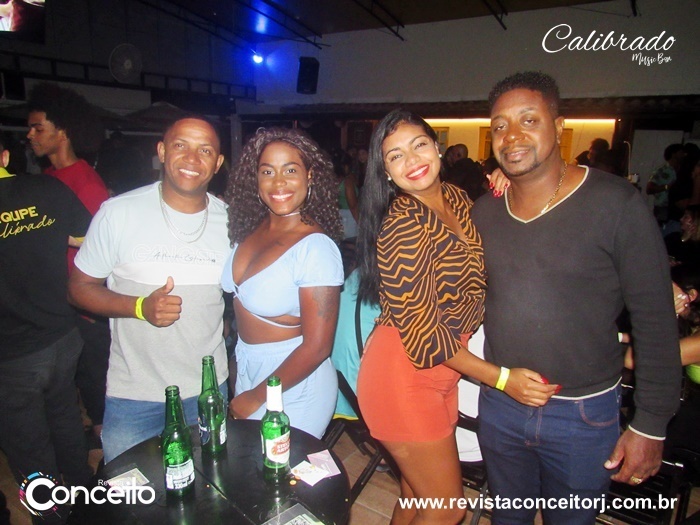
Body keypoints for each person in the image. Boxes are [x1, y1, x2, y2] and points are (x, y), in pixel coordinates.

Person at [471, 71, 681, 524]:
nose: (512, 135)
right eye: (500, 125)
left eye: (529, 120)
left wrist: (650, 424)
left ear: (559, 126)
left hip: (582, 414)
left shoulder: (616, 203)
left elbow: (654, 320)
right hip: (502, 403)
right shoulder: (484, 212)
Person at [355, 109, 553, 524]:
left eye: (419, 145)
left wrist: (505, 183)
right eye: (395, 156)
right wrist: (503, 379)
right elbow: (425, 336)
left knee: (418, 496)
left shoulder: (458, 199)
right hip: (403, 375)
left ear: (437, 147)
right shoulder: (403, 226)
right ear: (386, 172)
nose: (412, 161)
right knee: (448, 509)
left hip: (443, 373)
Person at [67, 116, 230, 463]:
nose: (192, 158)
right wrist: (140, 306)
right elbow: (78, 288)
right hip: (134, 394)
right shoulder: (117, 213)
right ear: (162, 151)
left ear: (217, 163)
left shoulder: (232, 222)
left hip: (207, 391)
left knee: (208, 486)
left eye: (205, 150)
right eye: (180, 145)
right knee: (129, 490)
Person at [223, 127, 344, 439]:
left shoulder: (316, 248)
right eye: (267, 171)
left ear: (310, 176)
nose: (278, 183)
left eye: (290, 170)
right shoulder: (251, 228)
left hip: (295, 382)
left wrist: (255, 397)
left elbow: (317, 347)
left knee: (281, 468)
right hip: (249, 370)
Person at [0, 134, 93, 522]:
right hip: (62, 335)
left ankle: (52, 516)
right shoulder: (46, 188)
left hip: (12, 354)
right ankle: (85, 500)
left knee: (28, 446)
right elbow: (85, 237)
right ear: (5, 156)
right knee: (65, 418)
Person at [27, 82, 111, 441]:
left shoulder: (86, 183)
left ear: (62, 132)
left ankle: (104, 450)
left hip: (83, 309)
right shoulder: (45, 180)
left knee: (95, 383)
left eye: (38, 128)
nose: (30, 135)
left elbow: (101, 252)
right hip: (52, 303)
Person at [647, 143, 686, 228]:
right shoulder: (661, 170)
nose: (684, 155)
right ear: (674, 154)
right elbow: (649, 189)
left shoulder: (683, 171)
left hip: (677, 208)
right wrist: (667, 187)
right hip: (662, 207)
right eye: (681, 152)